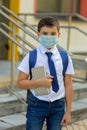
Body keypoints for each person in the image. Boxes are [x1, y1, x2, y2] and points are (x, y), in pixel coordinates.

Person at [17, 16, 74, 130]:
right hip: (37, 104)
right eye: (45, 33)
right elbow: (20, 83)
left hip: (58, 106)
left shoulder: (65, 57)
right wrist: (39, 82)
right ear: (38, 35)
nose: (49, 36)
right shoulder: (31, 56)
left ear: (58, 35)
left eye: (53, 33)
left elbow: (68, 84)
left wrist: (68, 112)